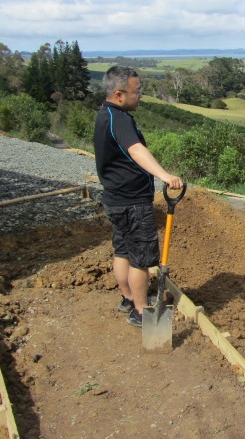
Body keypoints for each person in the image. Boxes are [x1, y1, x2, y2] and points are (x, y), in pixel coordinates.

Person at [93, 66, 184, 328]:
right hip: (132, 203)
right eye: (137, 91)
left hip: (115, 200)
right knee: (141, 261)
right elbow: (136, 150)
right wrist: (164, 175)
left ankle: (128, 298)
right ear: (119, 94)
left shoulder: (105, 114)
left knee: (123, 251)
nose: (140, 95)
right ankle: (141, 311)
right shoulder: (119, 119)